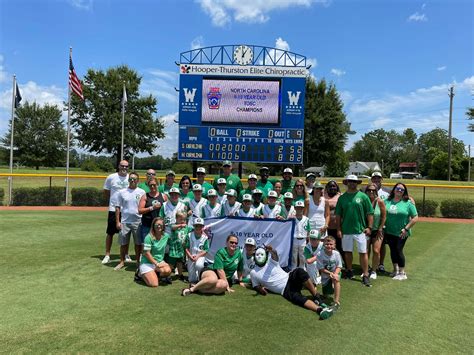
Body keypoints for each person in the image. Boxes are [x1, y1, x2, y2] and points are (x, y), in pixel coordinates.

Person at [250, 245, 333, 320]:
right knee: (298, 299)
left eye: (261, 254)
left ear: (265, 255)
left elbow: (274, 254)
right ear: (254, 256)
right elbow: (256, 286)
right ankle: (319, 310)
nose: (259, 256)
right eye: (257, 255)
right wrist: (261, 289)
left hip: (289, 277)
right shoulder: (253, 272)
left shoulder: (271, 261)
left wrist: (271, 250)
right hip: (284, 289)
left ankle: (316, 296)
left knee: (300, 271)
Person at [335, 175, 374, 287]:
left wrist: (369, 227)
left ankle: (365, 274)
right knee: (347, 252)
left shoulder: (363, 196)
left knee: (363, 252)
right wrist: (338, 229)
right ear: (347, 182)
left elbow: (370, 213)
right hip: (346, 230)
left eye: (354, 182)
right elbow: (338, 215)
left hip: (360, 230)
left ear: (357, 183)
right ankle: (349, 270)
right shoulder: (342, 198)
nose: (352, 183)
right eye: (350, 181)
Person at [384, 183, 418, 280]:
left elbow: (415, 217)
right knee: (393, 250)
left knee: (399, 250)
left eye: (402, 190)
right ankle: (395, 270)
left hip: (402, 232)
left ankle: (402, 273)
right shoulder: (387, 201)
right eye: (398, 188)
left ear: (404, 192)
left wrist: (406, 228)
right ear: (394, 189)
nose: (399, 191)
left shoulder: (408, 203)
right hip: (389, 231)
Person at [114, 172, 146, 271]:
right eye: (130, 179)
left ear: (138, 180)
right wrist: (117, 222)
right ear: (128, 180)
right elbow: (118, 208)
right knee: (123, 243)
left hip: (138, 221)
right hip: (125, 221)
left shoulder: (142, 192)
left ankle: (137, 262)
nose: (132, 181)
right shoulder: (122, 192)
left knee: (138, 243)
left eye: (134, 179)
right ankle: (122, 261)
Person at [102, 160, 129, 264]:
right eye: (122, 166)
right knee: (110, 232)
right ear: (118, 166)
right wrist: (114, 202)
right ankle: (107, 255)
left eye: (126, 166)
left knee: (126, 233)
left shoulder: (130, 177)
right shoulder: (111, 177)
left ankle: (126, 254)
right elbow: (106, 192)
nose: (124, 168)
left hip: (126, 210)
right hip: (113, 209)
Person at [139, 217, 172, 287]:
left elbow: (173, 241)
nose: (159, 226)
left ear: (163, 226)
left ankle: (155, 274)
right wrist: (156, 264)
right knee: (154, 284)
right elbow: (146, 253)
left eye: (160, 224)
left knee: (167, 271)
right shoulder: (148, 237)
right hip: (147, 263)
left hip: (159, 261)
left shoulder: (166, 236)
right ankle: (139, 274)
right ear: (153, 226)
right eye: (157, 224)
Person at [365, 183, 386, 280]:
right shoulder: (364, 201)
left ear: (376, 192)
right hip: (366, 230)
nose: (371, 192)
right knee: (365, 251)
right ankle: (365, 270)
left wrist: (380, 228)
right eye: (369, 190)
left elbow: (384, 216)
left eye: (373, 190)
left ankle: (373, 270)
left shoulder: (380, 201)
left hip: (378, 230)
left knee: (376, 251)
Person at [137, 178, 167, 248]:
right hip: (147, 225)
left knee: (158, 246)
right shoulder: (145, 196)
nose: (152, 187)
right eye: (150, 185)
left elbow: (168, 209)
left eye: (154, 185)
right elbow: (140, 210)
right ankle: (145, 258)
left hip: (159, 226)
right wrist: (152, 208)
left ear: (157, 185)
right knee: (146, 246)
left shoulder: (163, 196)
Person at [370, 171, 390, 273]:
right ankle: (370, 265)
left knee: (382, 245)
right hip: (369, 224)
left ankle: (381, 264)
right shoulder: (366, 190)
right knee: (368, 247)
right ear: (371, 179)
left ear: (381, 179)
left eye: (378, 178)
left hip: (383, 222)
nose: (376, 180)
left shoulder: (387, 191)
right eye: (374, 178)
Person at [317, 236, 342, 307]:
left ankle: (336, 301)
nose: (329, 246)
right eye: (327, 244)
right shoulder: (320, 254)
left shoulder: (336, 254)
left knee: (336, 279)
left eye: (331, 244)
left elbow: (339, 266)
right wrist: (330, 273)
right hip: (325, 274)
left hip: (335, 272)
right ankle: (328, 290)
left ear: (334, 246)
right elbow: (321, 268)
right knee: (326, 294)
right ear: (324, 245)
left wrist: (335, 274)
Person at [185, 218, 209, 284]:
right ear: (193, 226)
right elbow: (186, 248)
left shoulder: (205, 237)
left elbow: (206, 250)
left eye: (200, 226)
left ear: (203, 227)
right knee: (191, 280)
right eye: (196, 226)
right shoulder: (189, 235)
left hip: (200, 256)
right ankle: (195, 277)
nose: (198, 227)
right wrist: (190, 256)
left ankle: (201, 277)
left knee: (199, 265)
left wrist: (198, 256)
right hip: (191, 256)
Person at [168, 212, 191, 281]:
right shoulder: (174, 226)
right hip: (174, 249)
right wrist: (180, 225)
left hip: (181, 249)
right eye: (180, 219)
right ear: (176, 219)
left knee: (180, 262)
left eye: (184, 219)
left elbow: (193, 229)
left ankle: (180, 275)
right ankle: (167, 275)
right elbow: (172, 227)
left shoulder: (187, 227)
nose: (182, 221)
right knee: (171, 263)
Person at [324, 180, 342, 256]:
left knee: (340, 247)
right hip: (326, 227)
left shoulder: (340, 196)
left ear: (337, 187)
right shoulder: (323, 196)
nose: (332, 188)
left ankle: (347, 266)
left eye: (334, 186)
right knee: (327, 246)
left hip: (337, 227)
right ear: (327, 188)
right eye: (330, 186)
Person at [292, 200, 311, 270]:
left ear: (303, 208)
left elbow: (308, 229)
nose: (299, 209)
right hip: (294, 239)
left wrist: (308, 238)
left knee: (302, 255)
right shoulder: (292, 218)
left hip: (303, 239)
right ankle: (293, 268)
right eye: (297, 208)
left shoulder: (306, 219)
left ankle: (302, 268)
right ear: (295, 208)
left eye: (301, 208)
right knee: (294, 255)